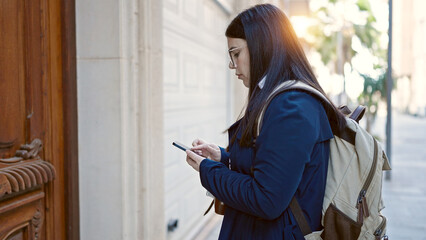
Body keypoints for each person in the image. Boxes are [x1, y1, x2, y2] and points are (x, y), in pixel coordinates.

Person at [185, 3, 346, 239]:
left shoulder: (291, 106)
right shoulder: (280, 99)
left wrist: (208, 170)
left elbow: (267, 199)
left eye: (236, 53)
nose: (232, 65)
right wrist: (224, 158)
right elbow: (273, 170)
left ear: (262, 45)